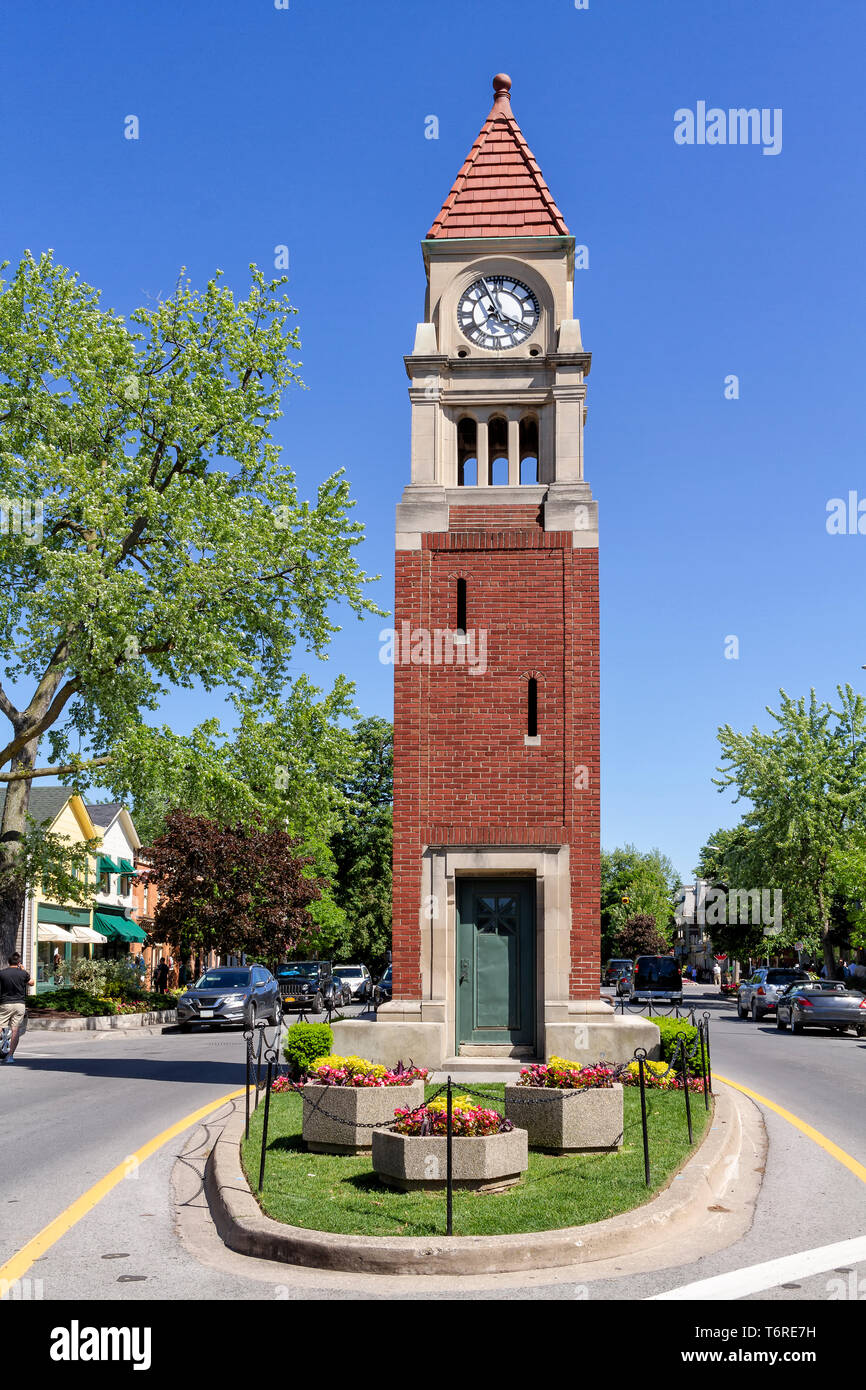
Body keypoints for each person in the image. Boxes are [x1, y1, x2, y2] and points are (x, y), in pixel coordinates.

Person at [0, 953, 34, 1064]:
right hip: (19, 1004)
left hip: (5, 1004)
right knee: (15, 1030)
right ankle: (10, 1056)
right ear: (19, 963)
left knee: (0, 1026)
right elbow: (32, 983)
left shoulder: (2, 973)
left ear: (9, 962)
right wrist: (23, 970)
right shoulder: (23, 973)